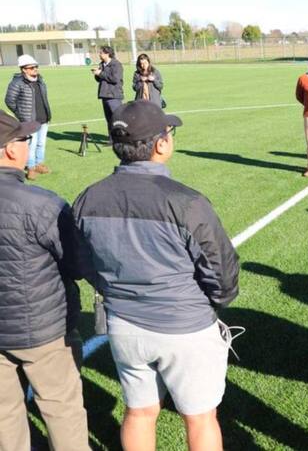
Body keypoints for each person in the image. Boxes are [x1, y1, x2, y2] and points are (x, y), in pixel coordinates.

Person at [73, 100, 240, 451]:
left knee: (139, 411)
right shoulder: (186, 201)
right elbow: (221, 270)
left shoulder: (88, 198)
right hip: (186, 326)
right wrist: (214, 302)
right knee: (200, 417)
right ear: (161, 143)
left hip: (125, 325)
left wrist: (114, 290)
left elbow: (83, 262)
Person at [0, 111, 92, 451]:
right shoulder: (42, 205)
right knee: (61, 408)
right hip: (43, 330)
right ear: (10, 150)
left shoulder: (40, 204)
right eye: (24, 140)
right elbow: (77, 264)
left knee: (4, 414)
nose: (29, 145)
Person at [5, 54, 53, 180]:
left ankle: (39, 164)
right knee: (31, 145)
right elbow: (9, 101)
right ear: (23, 69)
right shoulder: (17, 83)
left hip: (43, 118)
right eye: (31, 67)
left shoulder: (40, 80)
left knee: (41, 144)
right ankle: (30, 167)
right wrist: (21, 114)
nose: (35, 69)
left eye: (36, 67)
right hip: (29, 121)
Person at [92, 45, 124, 138]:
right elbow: (100, 80)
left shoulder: (116, 64)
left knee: (117, 118)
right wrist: (97, 74)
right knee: (109, 119)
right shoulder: (102, 64)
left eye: (101, 52)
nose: (99, 54)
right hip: (104, 95)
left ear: (107, 53)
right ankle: (111, 139)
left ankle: (121, 138)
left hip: (114, 95)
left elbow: (115, 79)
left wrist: (100, 73)